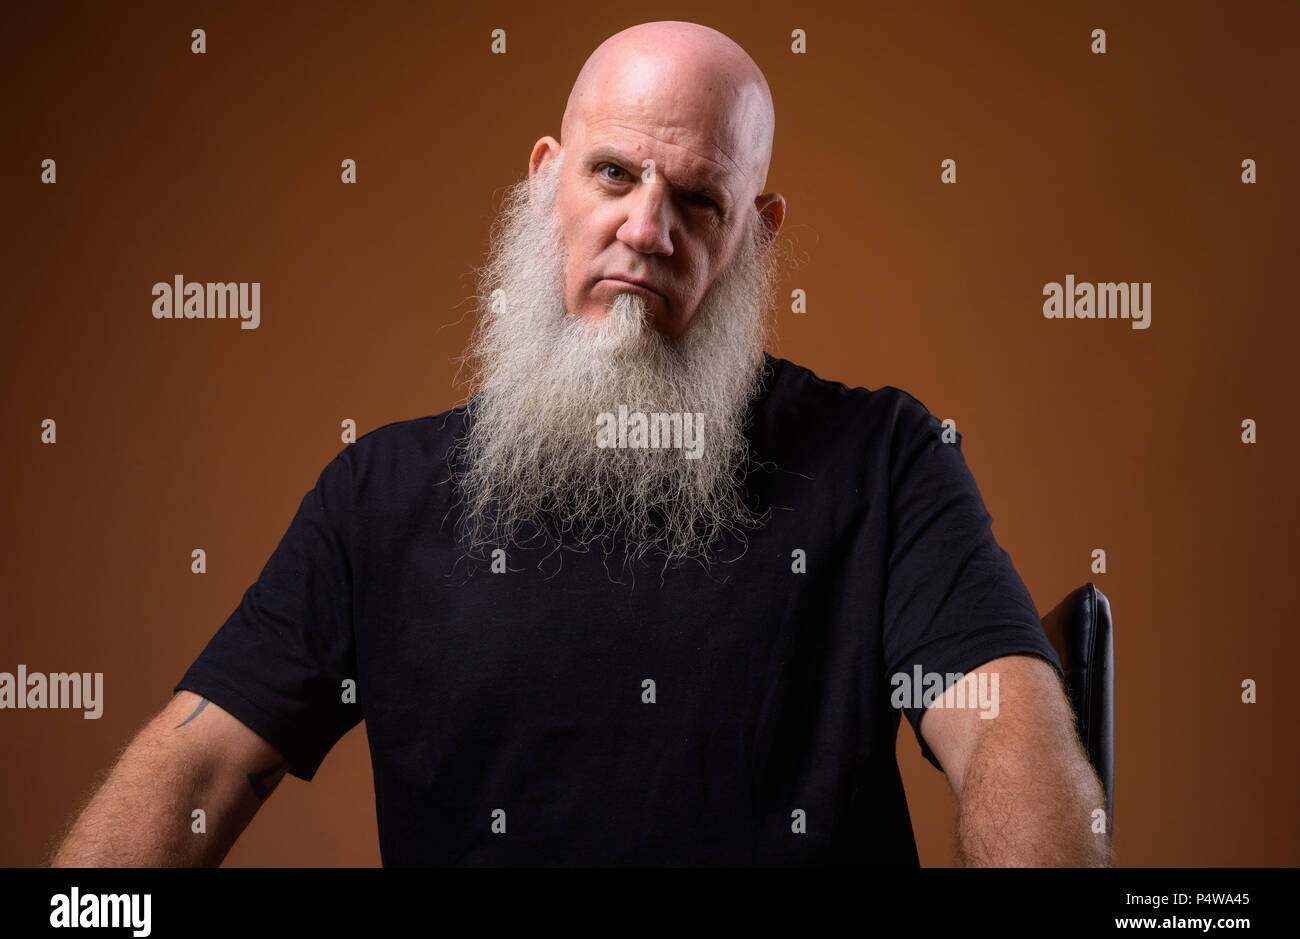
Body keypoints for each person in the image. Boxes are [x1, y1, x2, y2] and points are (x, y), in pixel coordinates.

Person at [50, 21, 1110, 867]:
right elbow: (198, 773)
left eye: (699, 199)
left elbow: (998, 721)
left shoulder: (882, 456)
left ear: (756, 231)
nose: (648, 230)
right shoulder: (377, 494)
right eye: (613, 175)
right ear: (546, 180)